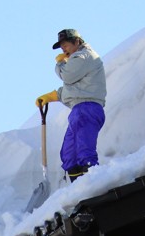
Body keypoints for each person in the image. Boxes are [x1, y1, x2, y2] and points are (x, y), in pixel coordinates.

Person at [36, 28, 106, 181]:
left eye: (66, 45)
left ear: (77, 41)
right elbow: (75, 88)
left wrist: (60, 63)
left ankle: (94, 182)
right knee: (69, 155)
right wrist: (53, 96)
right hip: (79, 110)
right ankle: (78, 187)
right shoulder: (78, 60)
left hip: (88, 108)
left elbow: (67, 76)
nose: (64, 49)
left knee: (84, 150)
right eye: (62, 47)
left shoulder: (83, 56)